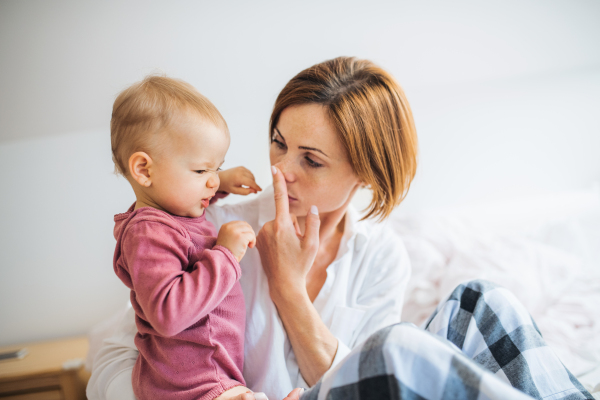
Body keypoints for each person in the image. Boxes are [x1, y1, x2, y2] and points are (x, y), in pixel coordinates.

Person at [88, 57, 592, 400]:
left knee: (482, 302)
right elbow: (110, 357)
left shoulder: (380, 256)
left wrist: (289, 289)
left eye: (312, 159)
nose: (281, 170)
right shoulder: (217, 226)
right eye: (279, 143)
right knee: (397, 347)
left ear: (366, 173)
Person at [108, 76, 266, 400]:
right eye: (200, 171)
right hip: (191, 383)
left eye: (215, 167)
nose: (210, 182)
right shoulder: (148, 234)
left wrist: (219, 180)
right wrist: (225, 254)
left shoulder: (167, 215)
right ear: (144, 170)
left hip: (207, 373)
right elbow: (168, 313)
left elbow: (187, 217)